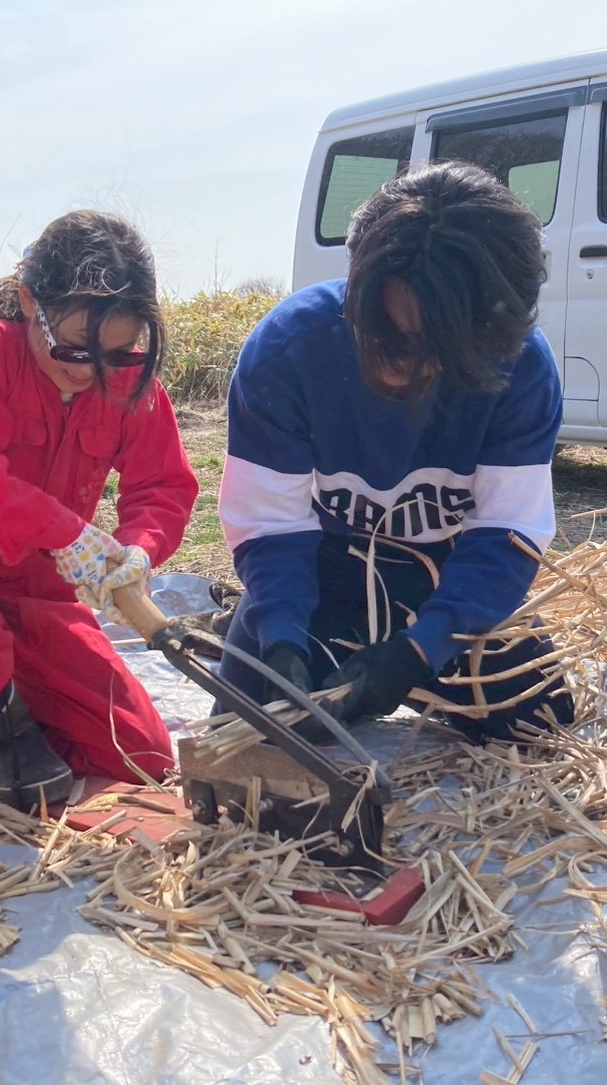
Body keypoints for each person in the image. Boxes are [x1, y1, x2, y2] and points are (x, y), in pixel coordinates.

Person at [217, 161, 574, 742]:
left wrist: (420, 650)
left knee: (539, 722)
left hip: (449, 573)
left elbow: (506, 530)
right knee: (250, 731)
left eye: (435, 348)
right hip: (325, 572)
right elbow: (271, 524)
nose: (399, 367)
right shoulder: (288, 350)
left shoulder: (523, 369)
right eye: (386, 336)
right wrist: (281, 636)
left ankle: (395, 676)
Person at [0, 210, 199, 809]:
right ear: (31, 302)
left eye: (118, 351)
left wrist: (138, 548)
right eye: (73, 347)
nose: (90, 370)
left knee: (141, 758)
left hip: (44, 603)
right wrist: (62, 531)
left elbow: (163, 486)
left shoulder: (130, 382)